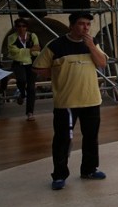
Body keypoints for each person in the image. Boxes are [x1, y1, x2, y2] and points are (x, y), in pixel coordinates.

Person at [33, 12, 108, 191]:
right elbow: (38, 67)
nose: (86, 28)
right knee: (62, 140)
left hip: (91, 100)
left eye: (88, 24)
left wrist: (91, 46)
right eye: (81, 24)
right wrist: (57, 74)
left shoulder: (93, 43)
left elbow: (102, 63)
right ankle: (59, 175)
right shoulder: (56, 45)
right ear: (72, 25)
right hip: (66, 102)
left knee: (91, 138)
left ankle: (89, 169)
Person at [7, 18, 40, 120]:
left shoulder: (33, 36)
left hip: (31, 64)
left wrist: (21, 52)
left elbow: (37, 50)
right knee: (21, 80)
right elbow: (13, 52)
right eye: (19, 26)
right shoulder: (11, 38)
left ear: (26, 27)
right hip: (18, 64)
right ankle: (21, 94)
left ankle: (30, 112)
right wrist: (29, 50)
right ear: (16, 27)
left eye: (23, 26)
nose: (21, 28)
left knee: (31, 88)